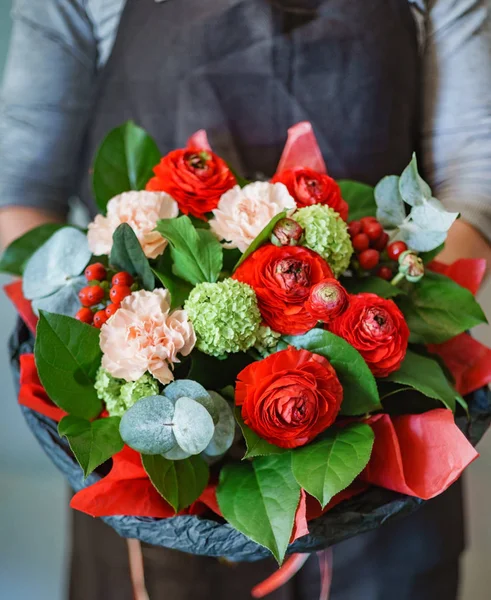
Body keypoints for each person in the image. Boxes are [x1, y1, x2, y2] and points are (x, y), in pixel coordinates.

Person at [0, 1, 490, 599]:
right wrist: (122, 339)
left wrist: (380, 326)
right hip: (156, 483)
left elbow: (475, 174)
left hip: (374, 443)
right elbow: (19, 186)